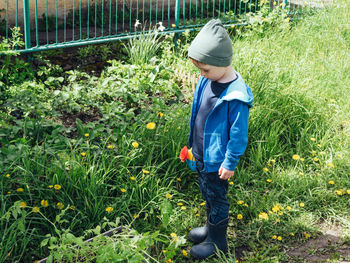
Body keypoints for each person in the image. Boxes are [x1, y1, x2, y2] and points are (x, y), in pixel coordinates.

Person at [187, 19, 254, 260]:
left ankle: (217, 241)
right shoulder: (209, 79)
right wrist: (193, 146)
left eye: (205, 69)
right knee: (207, 193)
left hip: (218, 161)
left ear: (221, 63)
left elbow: (238, 134)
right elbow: (199, 116)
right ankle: (210, 228)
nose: (201, 74)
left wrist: (230, 161)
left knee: (217, 197)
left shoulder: (236, 96)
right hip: (202, 154)